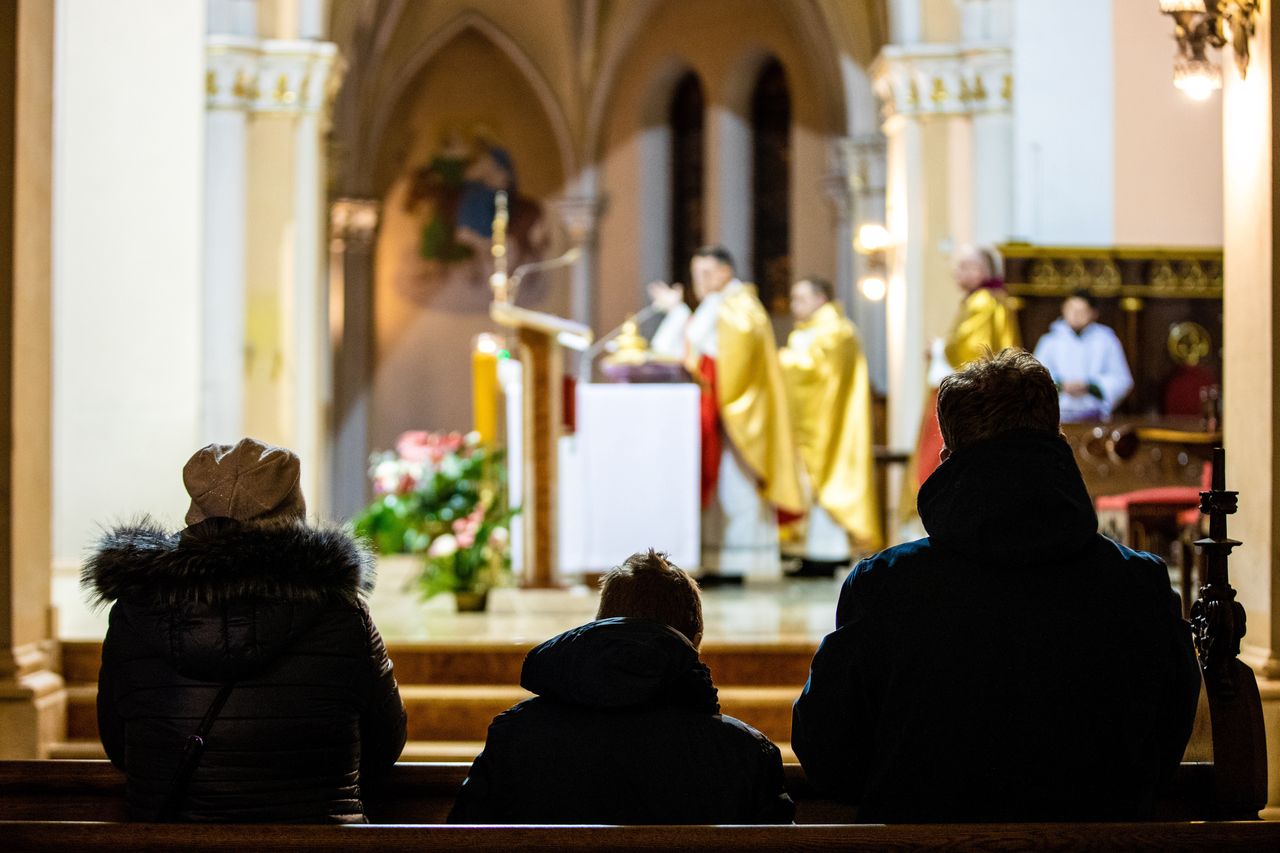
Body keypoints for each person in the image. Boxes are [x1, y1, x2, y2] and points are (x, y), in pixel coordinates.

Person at [792, 350, 1200, 823]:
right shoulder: (1139, 584)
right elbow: (1166, 739)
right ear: (1058, 440)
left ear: (947, 459)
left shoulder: (886, 585)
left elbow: (827, 749)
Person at [84, 438, 407, 823]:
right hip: (316, 845)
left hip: (171, 845)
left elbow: (118, 744)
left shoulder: (134, 612)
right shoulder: (340, 613)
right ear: (293, 513)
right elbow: (385, 741)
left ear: (195, 513)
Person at [448, 549, 794, 824]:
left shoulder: (516, 736)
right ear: (695, 642)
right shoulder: (743, 754)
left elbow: (463, 840)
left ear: (599, 627)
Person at [648, 245, 803, 581]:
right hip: (719, 411)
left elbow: (729, 360)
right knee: (723, 492)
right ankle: (720, 561)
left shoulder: (740, 306)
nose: (699, 282)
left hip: (738, 417)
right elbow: (691, 349)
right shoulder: (716, 305)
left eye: (705, 274)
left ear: (725, 272)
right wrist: (677, 314)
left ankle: (742, 562)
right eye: (695, 275)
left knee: (738, 489)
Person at [779, 276, 882, 575]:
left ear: (820, 298)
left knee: (828, 484)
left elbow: (812, 372)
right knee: (808, 485)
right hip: (814, 423)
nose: (794, 305)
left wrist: (779, 360)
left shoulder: (837, 331)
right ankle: (812, 552)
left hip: (830, 426)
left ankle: (829, 553)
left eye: (800, 298)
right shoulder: (812, 331)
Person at [908, 246, 1021, 507]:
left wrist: (938, 348)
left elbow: (971, 350)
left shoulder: (983, 301)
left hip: (968, 397)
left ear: (979, 270)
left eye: (963, 266)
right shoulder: (987, 299)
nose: (955, 273)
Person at [1033, 289, 1134, 422]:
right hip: (1058, 416)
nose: (1075, 315)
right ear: (1063, 309)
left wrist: (1090, 387)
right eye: (1071, 309)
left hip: (1094, 415)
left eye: (1081, 311)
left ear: (1093, 313)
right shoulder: (1050, 341)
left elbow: (1122, 380)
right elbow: (1034, 378)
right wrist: (1061, 386)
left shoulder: (1107, 340)